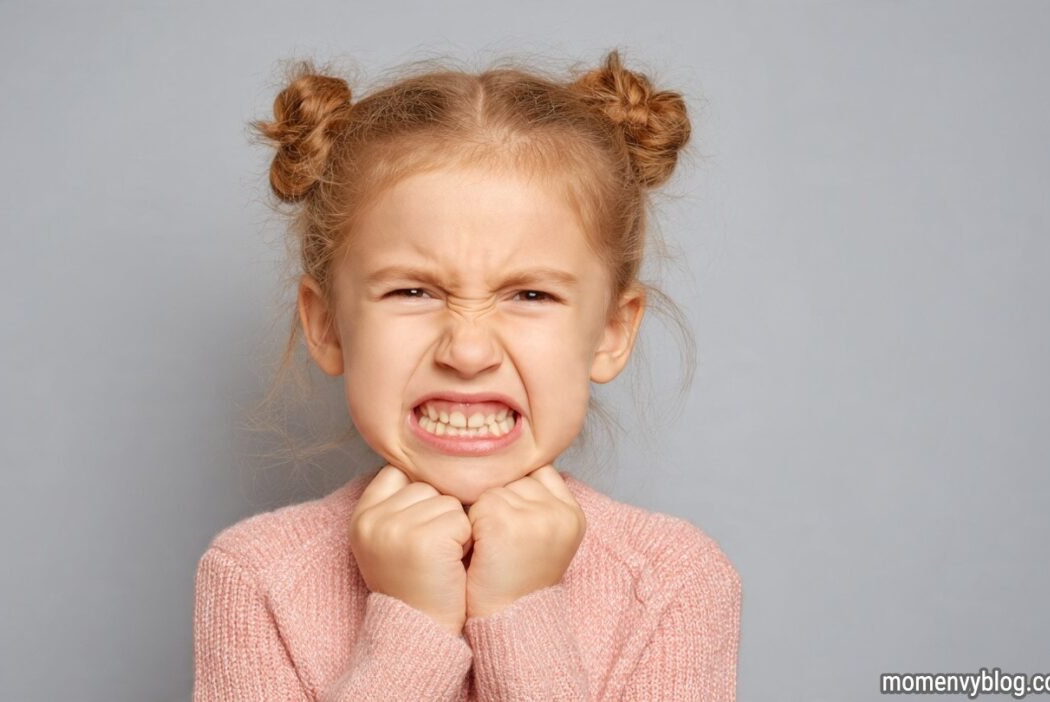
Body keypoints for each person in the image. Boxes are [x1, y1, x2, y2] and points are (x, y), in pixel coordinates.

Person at [192, 49, 742, 701]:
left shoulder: (673, 579)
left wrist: (521, 612)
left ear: (610, 333)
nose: (469, 350)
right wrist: (413, 629)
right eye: (413, 292)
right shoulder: (256, 575)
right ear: (327, 325)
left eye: (530, 295)